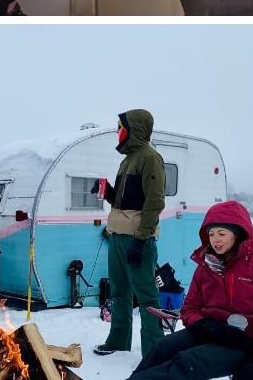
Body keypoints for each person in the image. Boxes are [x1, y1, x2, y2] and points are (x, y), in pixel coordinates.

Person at [127, 200, 253, 380]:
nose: (215, 239)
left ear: (238, 234)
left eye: (222, 233)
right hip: (210, 333)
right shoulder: (206, 266)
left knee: (187, 362)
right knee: (162, 347)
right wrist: (205, 326)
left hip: (246, 342)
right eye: (211, 234)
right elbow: (189, 308)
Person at [92, 110, 167, 357]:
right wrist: (107, 191)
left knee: (146, 296)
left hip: (137, 239)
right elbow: (125, 202)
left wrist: (141, 238)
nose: (117, 131)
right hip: (117, 236)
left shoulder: (150, 157)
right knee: (119, 292)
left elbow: (154, 201)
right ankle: (118, 341)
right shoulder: (128, 159)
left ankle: (154, 351)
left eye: (120, 127)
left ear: (133, 129)